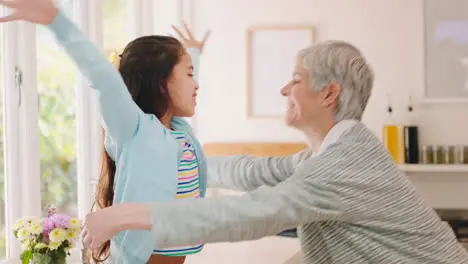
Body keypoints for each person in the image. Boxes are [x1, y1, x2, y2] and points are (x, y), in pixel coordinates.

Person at [0, 0, 210, 263]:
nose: (197, 84)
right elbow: (102, 77)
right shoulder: (134, 130)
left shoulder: (178, 130)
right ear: (161, 83)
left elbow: (179, 90)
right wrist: (56, 21)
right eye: (190, 74)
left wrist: (194, 54)